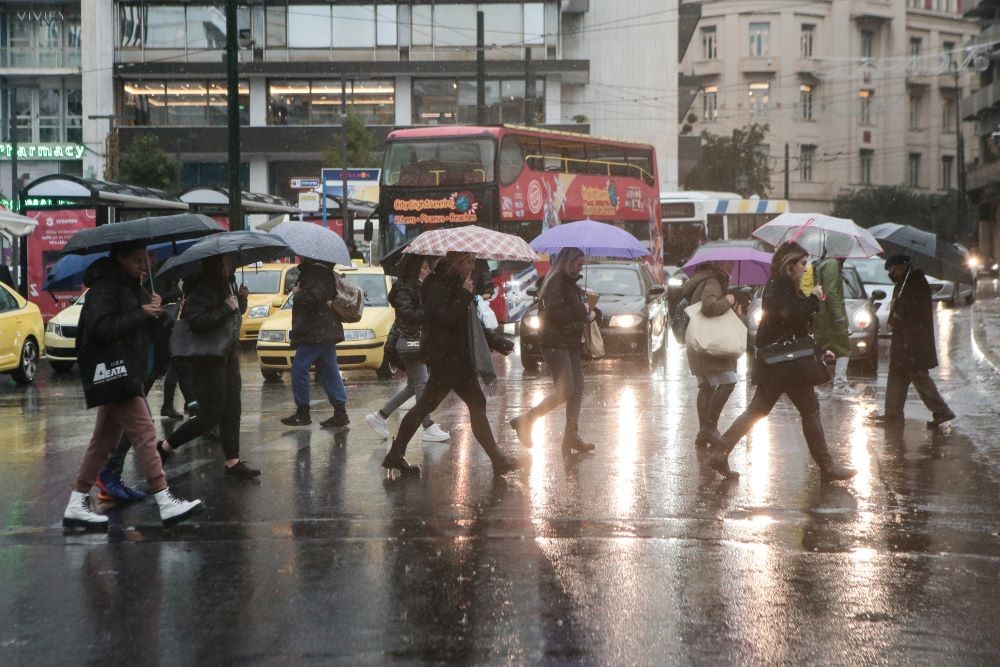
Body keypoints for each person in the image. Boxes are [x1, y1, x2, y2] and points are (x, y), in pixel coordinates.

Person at [62, 241, 202, 529]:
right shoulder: (104, 288)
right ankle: (164, 499)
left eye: (144, 260)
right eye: (138, 260)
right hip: (113, 370)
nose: (144, 266)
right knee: (145, 432)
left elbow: (144, 330)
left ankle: (77, 502)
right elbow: (101, 328)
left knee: (103, 443)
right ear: (121, 259)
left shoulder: (133, 287)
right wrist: (141, 312)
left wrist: (156, 313)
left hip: (124, 370)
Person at [705, 242, 857, 483]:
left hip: (783, 363)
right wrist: (814, 298)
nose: (806, 268)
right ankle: (827, 467)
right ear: (790, 264)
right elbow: (792, 316)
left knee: (765, 410)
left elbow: (795, 326)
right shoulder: (781, 284)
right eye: (803, 263)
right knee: (805, 410)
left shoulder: (781, 284)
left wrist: (818, 350)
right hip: (785, 365)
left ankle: (720, 453)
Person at [381, 251, 521, 477]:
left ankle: (396, 454)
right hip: (446, 358)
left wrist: (496, 341)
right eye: (469, 262)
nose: (472, 267)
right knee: (465, 404)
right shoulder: (435, 285)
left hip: (456, 358)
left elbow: (469, 323)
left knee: (428, 406)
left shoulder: (456, 285)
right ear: (456, 262)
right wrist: (464, 295)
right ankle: (497, 459)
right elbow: (444, 317)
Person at [157, 256, 261, 479]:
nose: (231, 264)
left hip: (228, 355)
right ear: (217, 264)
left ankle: (232, 462)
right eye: (227, 261)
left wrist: (241, 300)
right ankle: (165, 446)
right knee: (210, 415)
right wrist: (225, 307)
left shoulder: (227, 282)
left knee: (232, 410)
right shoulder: (203, 287)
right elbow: (196, 320)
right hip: (208, 358)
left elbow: (234, 313)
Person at [509, 247, 597, 454]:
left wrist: (592, 311)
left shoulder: (570, 282)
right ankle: (526, 420)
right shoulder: (556, 281)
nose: (580, 268)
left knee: (577, 389)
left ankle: (571, 436)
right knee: (565, 391)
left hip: (570, 342)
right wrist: (582, 310)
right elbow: (556, 312)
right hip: (555, 343)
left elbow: (575, 310)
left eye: (582, 265)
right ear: (568, 261)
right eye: (578, 264)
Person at [365, 255, 450, 442]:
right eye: (424, 268)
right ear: (415, 268)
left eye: (428, 268)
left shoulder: (418, 287)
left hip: (417, 340)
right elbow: (408, 314)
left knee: (413, 386)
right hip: (408, 340)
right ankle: (427, 425)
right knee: (422, 384)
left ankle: (380, 416)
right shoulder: (403, 288)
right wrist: (429, 309)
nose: (428, 271)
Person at [869, 255, 955, 428]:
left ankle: (942, 411)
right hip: (902, 340)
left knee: (919, 376)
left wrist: (901, 311)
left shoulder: (916, 283)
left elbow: (915, 310)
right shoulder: (902, 284)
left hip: (914, 342)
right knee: (897, 376)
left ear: (900, 267)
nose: (891, 274)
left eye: (891, 270)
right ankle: (892, 415)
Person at [280, 259, 350, 428]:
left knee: (299, 368)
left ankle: (303, 412)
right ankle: (340, 413)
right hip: (324, 328)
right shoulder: (319, 270)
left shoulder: (316, 271)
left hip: (317, 330)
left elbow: (315, 297)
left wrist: (297, 293)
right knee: (328, 370)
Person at [679, 260, 740, 447]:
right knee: (728, 382)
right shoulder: (713, 281)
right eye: (729, 263)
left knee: (705, 386)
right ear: (719, 264)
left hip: (698, 341)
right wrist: (728, 301)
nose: (732, 266)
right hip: (709, 343)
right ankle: (709, 428)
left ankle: (703, 434)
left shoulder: (702, 280)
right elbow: (709, 307)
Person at [812, 256, 854, 395]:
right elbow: (830, 291)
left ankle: (813, 385)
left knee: (820, 347)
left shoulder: (825, 263)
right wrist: (838, 315)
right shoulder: (832, 264)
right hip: (829, 316)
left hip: (822, 313)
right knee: (843, 348)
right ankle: (840, 384)